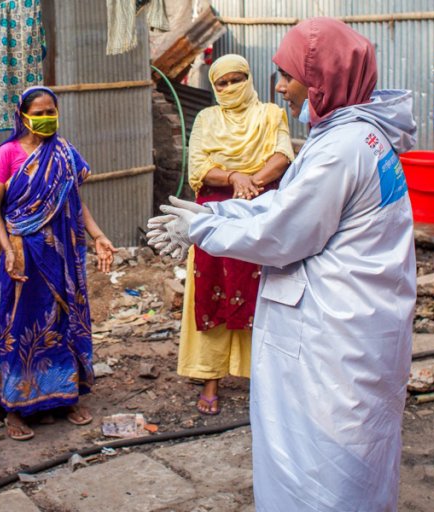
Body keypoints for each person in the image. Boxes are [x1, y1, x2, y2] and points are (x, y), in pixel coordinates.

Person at [148, 18, 417, 510]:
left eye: (288, 75)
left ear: (322, 78)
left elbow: (285, 231)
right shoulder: (359, 136)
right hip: (357, 325)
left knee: (323, 460)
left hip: (334, 338)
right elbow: (287, 205)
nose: (280, 86)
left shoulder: (339, 149)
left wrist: (203, 228)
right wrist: (217, 211)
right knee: (356, 454)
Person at [0, 86, 115, 441]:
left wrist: (98, 235)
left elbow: (75, 201)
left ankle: (65, 395)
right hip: (23, 252)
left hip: (64, 253)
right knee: (21, 324)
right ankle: (15, 407)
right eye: (38, 113)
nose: (46, 118)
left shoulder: (65, 153)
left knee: (64, 320)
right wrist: (7, 248)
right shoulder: (7, 154)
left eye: (50, 111)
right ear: (23, 116)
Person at [179, 54, 293, 415]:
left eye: (235, 80)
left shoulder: (271, 114)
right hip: (214, 214)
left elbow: (283, 154)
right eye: (221, 83)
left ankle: (264, 378)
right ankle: (210, 379)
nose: (229, 88)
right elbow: (198, 167)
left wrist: (253, 182)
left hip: (262, 210)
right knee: (212, 292)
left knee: (262, 291)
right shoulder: (206, 118)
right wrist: (234, 179)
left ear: (249, 78)